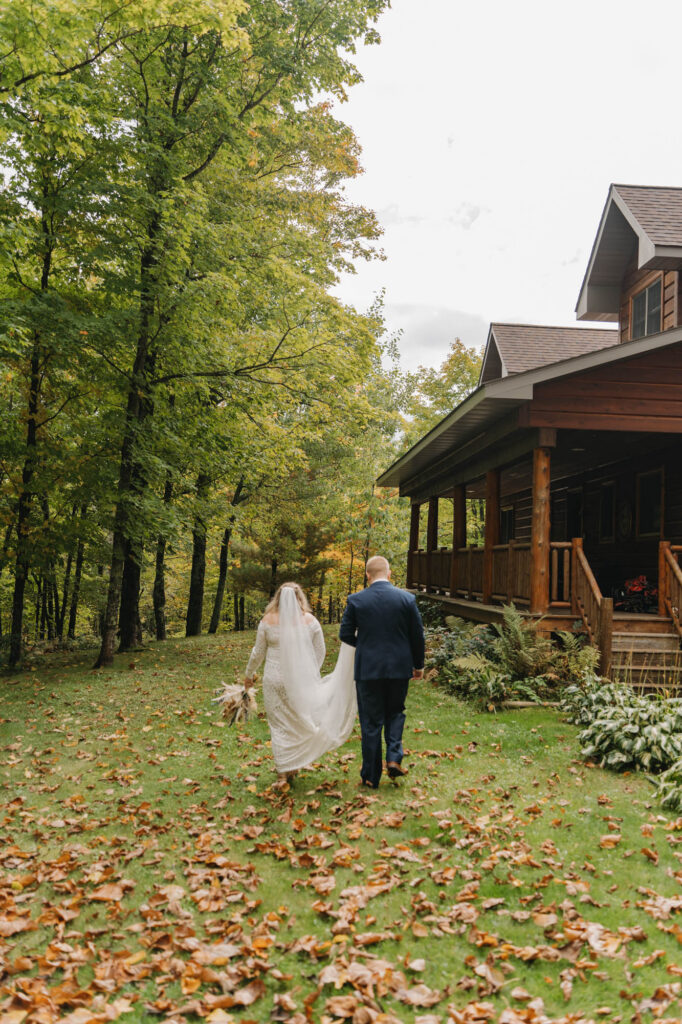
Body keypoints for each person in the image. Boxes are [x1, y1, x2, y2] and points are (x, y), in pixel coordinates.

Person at [244, 582, 356, 786]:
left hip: (273, 679)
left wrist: (249, 674)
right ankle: (292, 763)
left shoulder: (267, 621)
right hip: (298, 681)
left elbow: (258, 652)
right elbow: (320, 651)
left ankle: (282, 772)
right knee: (297, 721)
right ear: (300, 599)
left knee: (278, 725)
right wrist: (311, 673)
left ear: (277, 599)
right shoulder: (310, 621)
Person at [339, 555, 425, 789]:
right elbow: (417, 636)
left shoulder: (356, 600)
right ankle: (394, 757)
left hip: (368, 669)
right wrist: (418, 665)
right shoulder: (406, 599)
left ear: (368, 575)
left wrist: (366, 644)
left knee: (370, 721)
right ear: (389, 574)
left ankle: (370, 776)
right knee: (395, 711)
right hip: (399, 667)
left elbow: (345, 634)